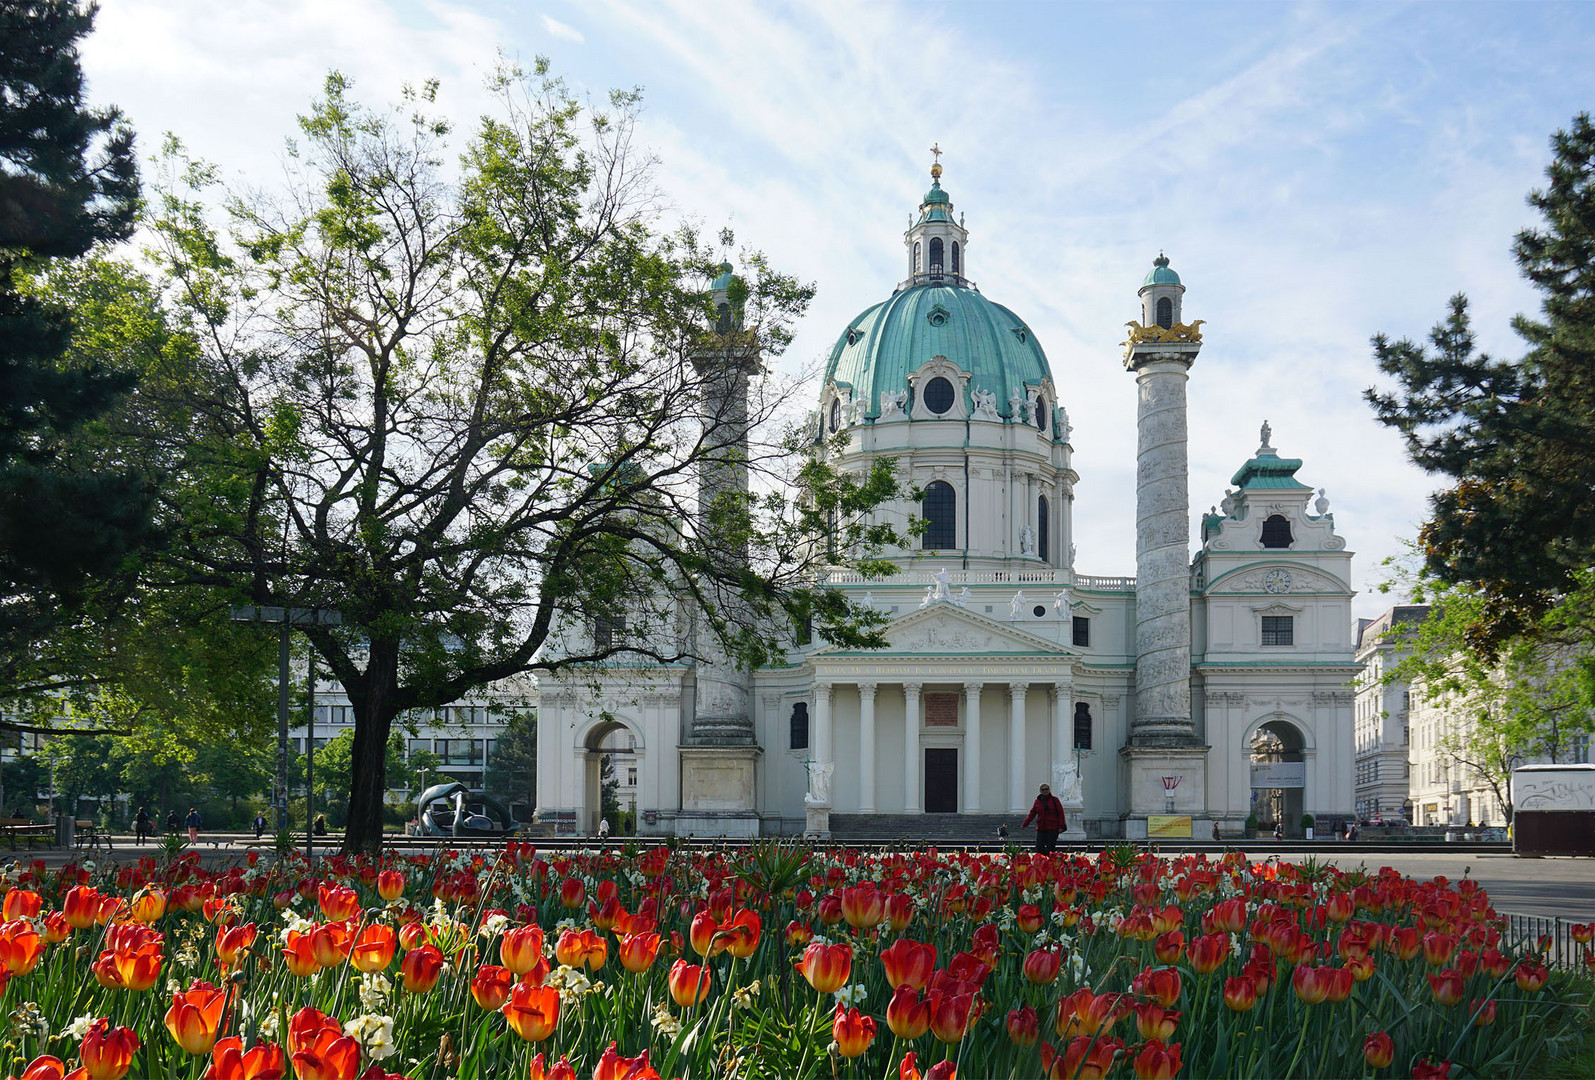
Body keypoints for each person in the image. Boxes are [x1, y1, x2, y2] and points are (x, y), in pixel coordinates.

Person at [1021, 783, 1066, 855]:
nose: (1045, 791)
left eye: (1046, 789)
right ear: (1040, 791)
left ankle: (1049, 863)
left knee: (1050, 848)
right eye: (1043, 789)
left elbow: (1060, 813)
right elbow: (1032, 813)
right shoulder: (1037, 801)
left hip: (1052, 828)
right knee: (1039, 847)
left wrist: (1061, 826)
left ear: (1049, 790)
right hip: (1041, 828)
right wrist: (1025, 824)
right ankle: (1042, 863)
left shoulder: (1055, 800)